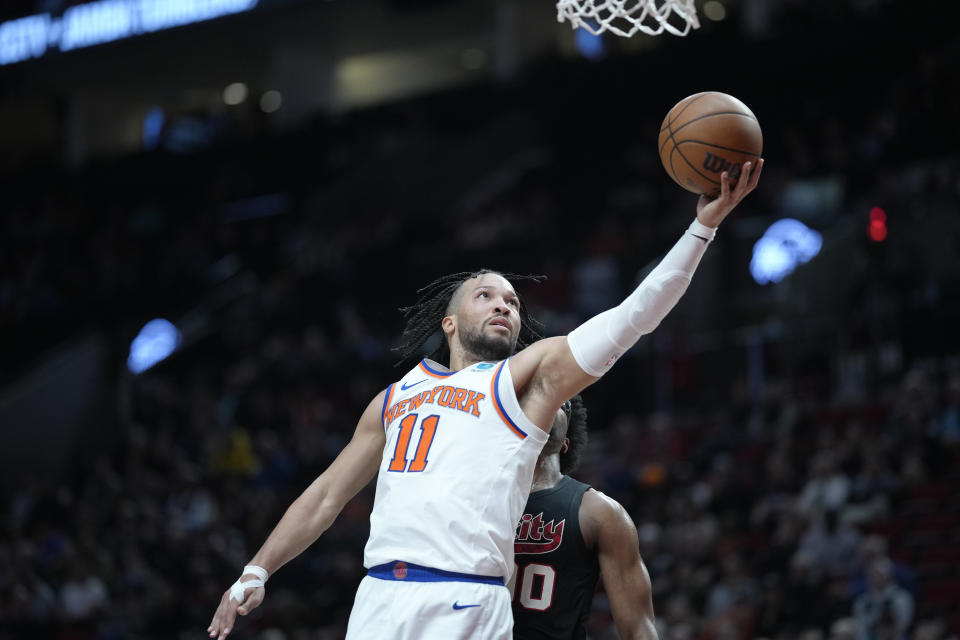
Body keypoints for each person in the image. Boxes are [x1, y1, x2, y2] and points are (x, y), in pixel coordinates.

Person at [206, 161, 764, 640]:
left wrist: (701, 229)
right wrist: (257, 570)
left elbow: (632, 318)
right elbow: (327, 494)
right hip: (379, 596)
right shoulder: (393, 399)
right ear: (450, 321)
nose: (504, 305)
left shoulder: (527, 381)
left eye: (513, 302)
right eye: (486, 295)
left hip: (465, 601)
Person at [511, 395, 658, 640]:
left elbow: (638, 628)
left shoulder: (600, 512)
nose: (545, 400)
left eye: (559, 401)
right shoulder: (474, 499)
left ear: (565, 442)